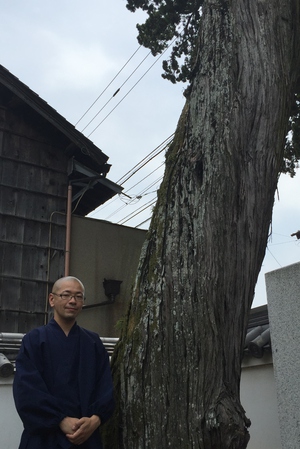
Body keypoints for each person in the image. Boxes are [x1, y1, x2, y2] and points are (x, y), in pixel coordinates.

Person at [13, 276, 115, 449]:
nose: (73, 301)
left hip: (86, 437)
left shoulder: (93, 343)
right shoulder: (34, 340)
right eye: (66, 295)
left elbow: (105, 386)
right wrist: (60, 420)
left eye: (79, 296)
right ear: (52, 299)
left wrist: (95, 420)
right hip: (44, 438)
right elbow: (26, 391)